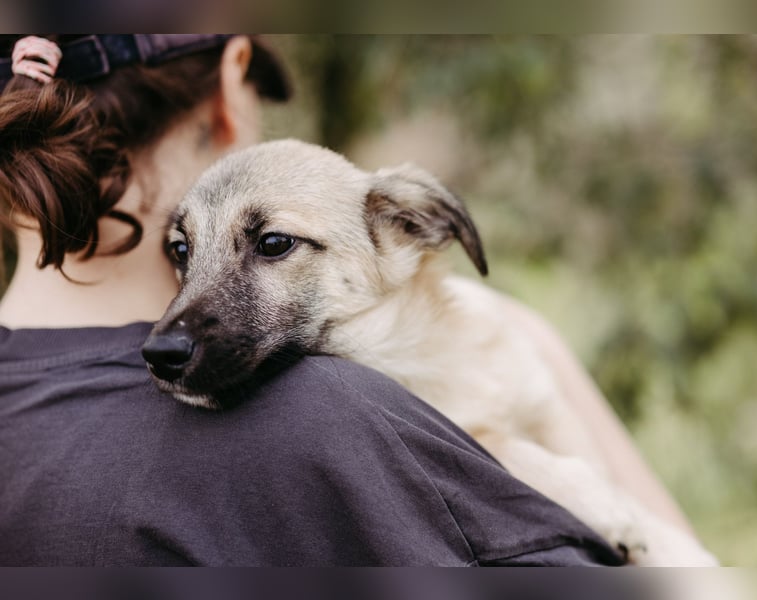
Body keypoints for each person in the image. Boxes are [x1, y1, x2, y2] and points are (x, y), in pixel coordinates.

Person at [0, 34, 687, 566]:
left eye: (269, 246)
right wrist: (548, 363)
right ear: (233, 83)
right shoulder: (335, 420)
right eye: (187, 252)